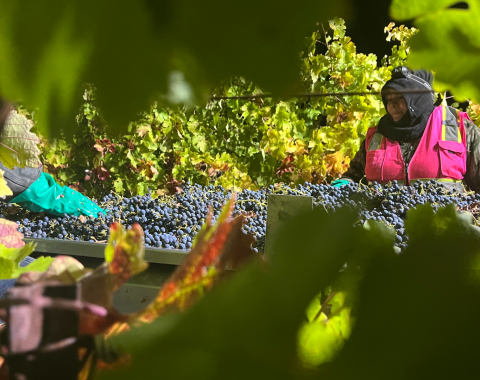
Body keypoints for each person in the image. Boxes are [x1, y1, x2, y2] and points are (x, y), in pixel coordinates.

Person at [331, 66, 480, 192]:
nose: (392, 105)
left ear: (418, 99)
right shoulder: (376, 137)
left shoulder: (459, 127)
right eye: (388, 99)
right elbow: (354, 176)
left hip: (446, 225)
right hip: (386, 224)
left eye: (400, 97)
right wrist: (340, 187)